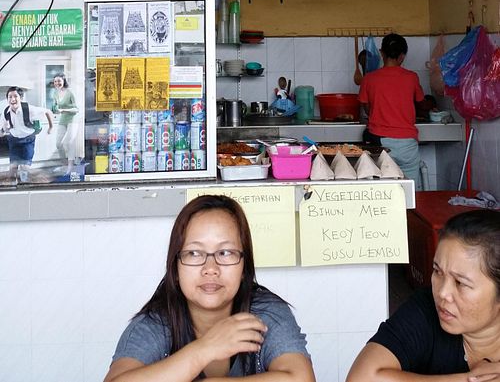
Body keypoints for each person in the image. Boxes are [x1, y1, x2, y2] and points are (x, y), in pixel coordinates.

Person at [104, 193, 316, 382]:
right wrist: (204, 349)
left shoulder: (265, 313)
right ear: (175, 269)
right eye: (194, 253)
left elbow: (302, 378)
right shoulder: (156, 323)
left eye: (225, 253)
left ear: (244, 267)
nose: (210, 269)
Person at [346, 209, 500, 382]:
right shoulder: (425, 310)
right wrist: (468, 380)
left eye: (460, 283)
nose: (442, 293)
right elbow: (361, 378)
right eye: (437, 271)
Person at [358, 32, 426, 188]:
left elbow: (367, 109)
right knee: (411, 188)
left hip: (380, 144)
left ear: (382, 53)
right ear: (402, 56)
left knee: (384, 189)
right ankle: (412, 212)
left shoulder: (369, 78)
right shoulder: (412, 77)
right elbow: (421, 103)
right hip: (407, 144)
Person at [0, 85, 53, 180]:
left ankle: (24, 185)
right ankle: (13, 188)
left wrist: (51, 127)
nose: (13, 99)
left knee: (25, 168)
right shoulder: (6, 112)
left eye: (15, 96)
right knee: (12, 168)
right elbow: (3, 129)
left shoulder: (29, 109)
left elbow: (48, 112)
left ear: (21, 98)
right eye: (10, 97)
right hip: (14, 141)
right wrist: (3, 132)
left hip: (27, 140)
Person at [52, 74, 79, 175]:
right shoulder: (55, 93)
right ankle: (64, 164)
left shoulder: (70, 92)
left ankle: (70, 167)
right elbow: (55, 106)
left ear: (64, 81)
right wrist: (54, 110)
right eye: (55, 81)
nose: (57, 83)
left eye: (59, 81)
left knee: (69, 142)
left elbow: (77, 109)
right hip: (63, 119)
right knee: (58, 143)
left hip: (73, 119)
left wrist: (64, 109)